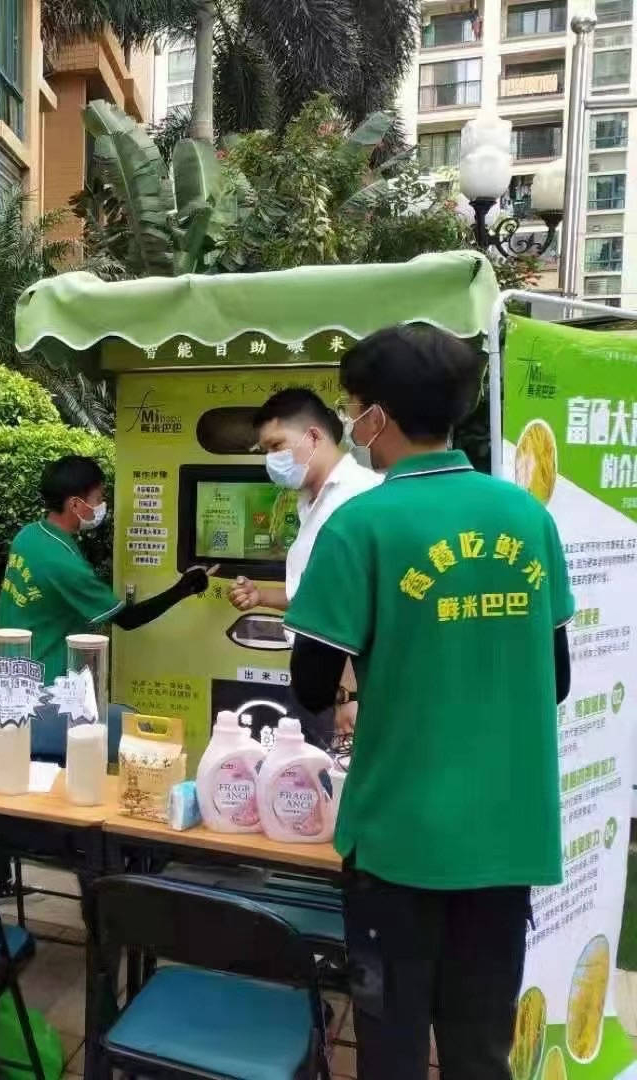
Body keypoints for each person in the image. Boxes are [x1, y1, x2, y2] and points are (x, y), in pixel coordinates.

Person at [286, 325, 573, 1080]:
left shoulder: (361, 524)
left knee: (393, 1046)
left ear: (376, 415)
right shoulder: (527, 518)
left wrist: (376, 679)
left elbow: (313, 684)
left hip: (399, 842)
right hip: (508, 837)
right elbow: (559, 677)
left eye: (352, 405)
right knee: (482, 1047)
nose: (352, 420)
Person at [227, 388, 380, 741]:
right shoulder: (311, 502)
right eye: (265, 450)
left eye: (276, 445)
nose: (271, 459)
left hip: (342, 688)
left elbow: (360, 607)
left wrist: (348, 695)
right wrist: (260, 596)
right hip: (316, 682)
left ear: (313, 436)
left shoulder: (359, 497)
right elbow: (318, 596)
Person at [0, 454, 212, 685]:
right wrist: (183, 588)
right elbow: (127, 619)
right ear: (76, 504)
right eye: (98, 498)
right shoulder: (63, 563)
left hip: (10, 671)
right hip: (44, 683)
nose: (101, 505)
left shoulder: (28, 535)